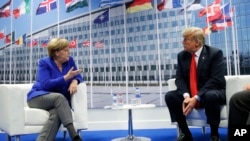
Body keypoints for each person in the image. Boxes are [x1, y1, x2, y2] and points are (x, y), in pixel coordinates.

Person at [165, 27, 226, 141]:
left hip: (211, 91)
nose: (182, 42)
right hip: (191, 93)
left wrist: (197, 97)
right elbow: (179, 79)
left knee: (210, 96)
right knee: (170, 96)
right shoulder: (182, 56)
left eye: (186, 39)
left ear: (197, 42)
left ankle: (214, 134)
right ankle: (186, 134)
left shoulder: (215, 53)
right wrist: (187, 96)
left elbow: (215, 80)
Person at [27, 38, 83, 141]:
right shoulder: (44, 63)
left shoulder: (69, 61)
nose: (69, 52)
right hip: (38, 98)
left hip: (57, 102)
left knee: (57, 114)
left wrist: (75, 81)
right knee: (59, 97)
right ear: (57, 52)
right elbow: (45, 85)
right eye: (66, 50)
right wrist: (66, 78)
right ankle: (74, 135)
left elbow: (78, 75)